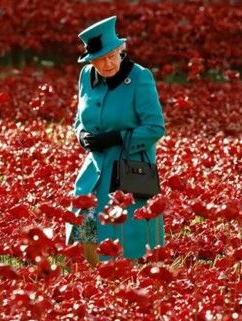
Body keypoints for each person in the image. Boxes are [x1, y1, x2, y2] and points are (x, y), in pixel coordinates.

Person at [65, 16, 166, 267]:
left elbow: (155, 127)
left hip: (127, 171)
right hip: (95, 169)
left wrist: (118, 137)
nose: (108, 63)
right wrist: (82, 136)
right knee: (83, 224)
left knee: (124, 232)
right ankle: (90, 274)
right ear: (91, 60)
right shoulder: (86, 76)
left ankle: (125, 283)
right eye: (100, 59)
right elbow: (79, 119)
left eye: (112, 56)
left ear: (122, 51)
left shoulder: (140, 78)